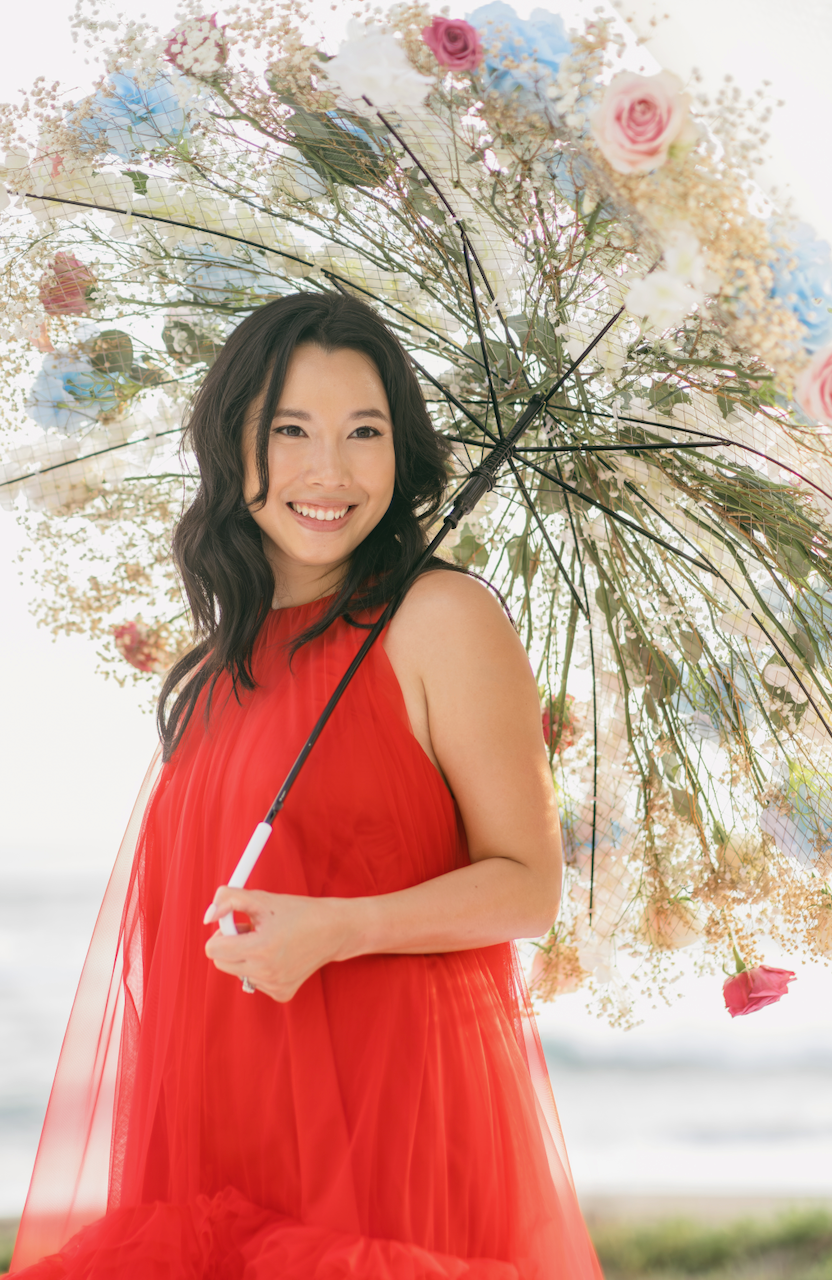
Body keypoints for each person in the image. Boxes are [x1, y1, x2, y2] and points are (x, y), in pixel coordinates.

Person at [11, 292, 602, 1279]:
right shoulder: (214, 669)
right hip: (217, 1145)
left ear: (400, 453)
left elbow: (525, 884)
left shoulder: (438, 617)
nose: (328, 470)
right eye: (290, 430)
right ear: (234, 445)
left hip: (389, 1138)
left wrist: (337, 926)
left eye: (363, 431)